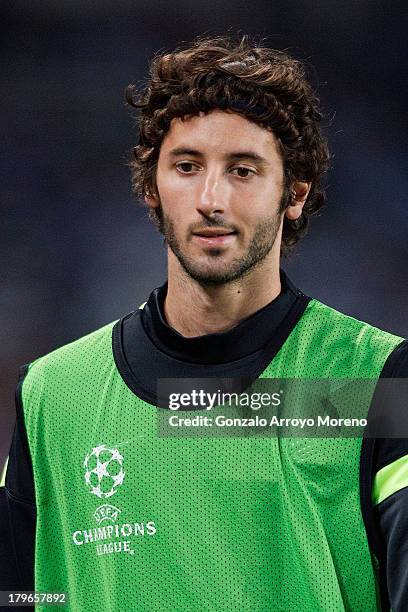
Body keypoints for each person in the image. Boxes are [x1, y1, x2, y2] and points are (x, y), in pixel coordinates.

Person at [1, 34, 407, 611]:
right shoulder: (53, 395)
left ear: (294, 193)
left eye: (243, 170)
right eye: (187, 166)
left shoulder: (378, 383)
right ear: (152, 187)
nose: (210, 198)